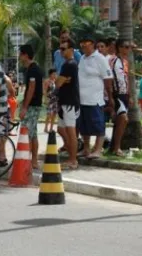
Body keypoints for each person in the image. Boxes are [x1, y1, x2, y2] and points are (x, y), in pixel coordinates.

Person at [77, 36, 113, 159]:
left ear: (92, 44)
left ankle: (98, 149)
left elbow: (108, 79)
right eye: (82, 44)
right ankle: (86, 149)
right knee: (84, 126)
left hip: (95, 99)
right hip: (82, 99)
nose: (83, 46)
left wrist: (110, 97)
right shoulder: (82, 58)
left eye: (86, 43)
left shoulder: (100, 58)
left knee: (98, 125)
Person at [56, 39, 80, 169]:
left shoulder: (70, 64)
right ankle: (71, 148)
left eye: (63, 48)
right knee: (61, 129)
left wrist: (61, 80)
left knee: (71, 131)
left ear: (71, 50)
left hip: (70, 102)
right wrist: (62, 80)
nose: (61, 51)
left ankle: (73, 159)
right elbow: (59, 82)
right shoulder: (66, 64)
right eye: (60, 48)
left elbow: (58, 83)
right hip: (64, 101)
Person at [18, 45, 43, 170]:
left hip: (33, 106)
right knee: (33, 133)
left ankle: (33, 160)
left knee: (29, 132)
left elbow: (31, 89)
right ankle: (32, 159)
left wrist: (24, 107)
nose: (19, 56)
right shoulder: (31, 69)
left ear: (25, 55)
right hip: (33, 104)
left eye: (20, 54)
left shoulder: (33, 70)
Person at [108, 39, 131, 156]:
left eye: (128, 47)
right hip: (116, 94)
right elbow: (109, 78)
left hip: (125, 94)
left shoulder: (126, 62)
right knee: (123, 118)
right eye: (125, 47)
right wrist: (110, 96)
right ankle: (117, 148)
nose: (127, 49)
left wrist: (130, 95)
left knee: (120, 121)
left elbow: (127, 79)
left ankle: (113, 147)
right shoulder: (113, 60)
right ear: (119, 48)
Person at [43, 69, 58, 133]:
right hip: (50, 100)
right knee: (49, 114)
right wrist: (46, 99)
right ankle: (46, 128)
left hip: (56, 100)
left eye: (55, 74)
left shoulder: (56, 81)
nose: (55, 75)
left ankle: (51, 128)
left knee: (54, 114)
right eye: (53, 74)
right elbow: (44, 91)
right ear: (50, 74)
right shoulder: (47, 81)